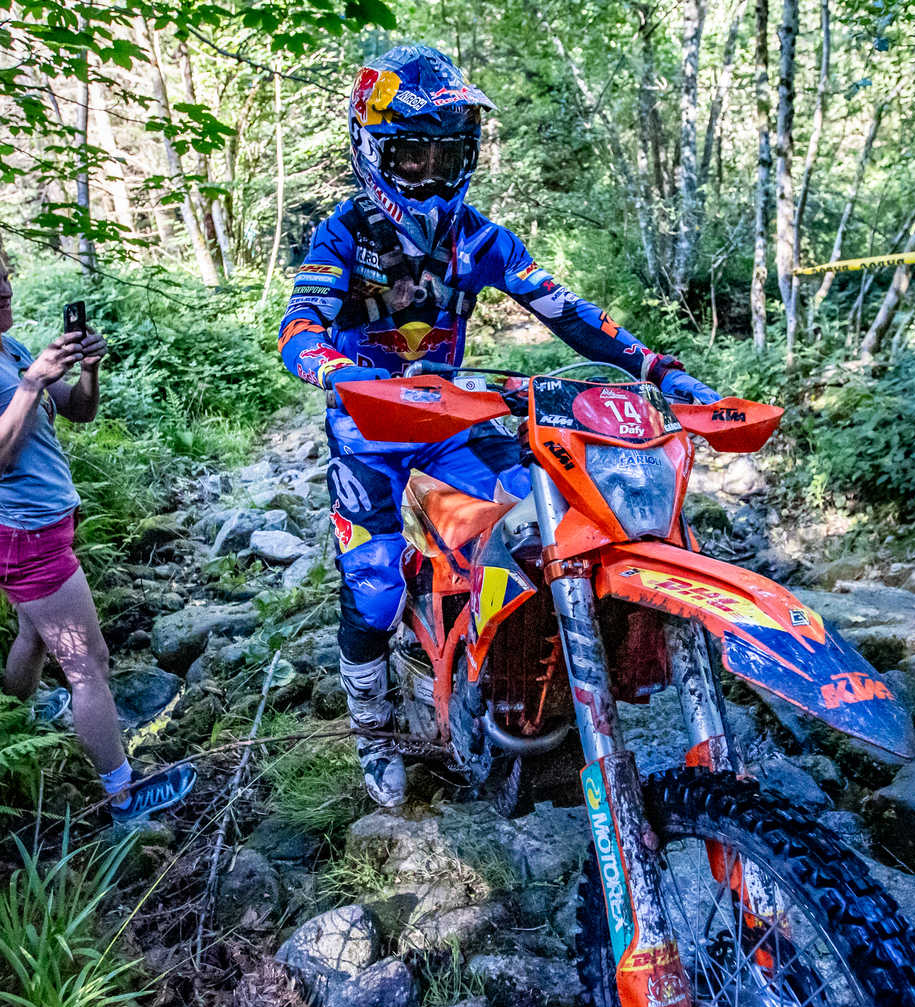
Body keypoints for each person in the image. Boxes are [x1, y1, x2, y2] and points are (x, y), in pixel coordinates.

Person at [278, 45, 720, 807]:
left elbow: (568, 313)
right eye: (411, 156)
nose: (430, 172)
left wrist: (656, 368)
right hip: (368, 430)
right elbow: (298, 327)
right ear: (373, 152)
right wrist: (339, 372)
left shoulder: (479, 238)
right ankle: (373, 727)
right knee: (375, 587)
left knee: (541, 526)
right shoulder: (342, 234)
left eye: (448, 155)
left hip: (452, 419)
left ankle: (526, 682)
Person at [0, 228, 196, 825]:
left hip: (43, 526)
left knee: (34, 635)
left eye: (6, 278)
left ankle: (7, 722)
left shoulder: (7, 347)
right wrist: (31, 383)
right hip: (25, 538)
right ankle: (122, 798)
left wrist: (86, 369)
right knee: (89, 665)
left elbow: (79, 410)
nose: (6, 291)